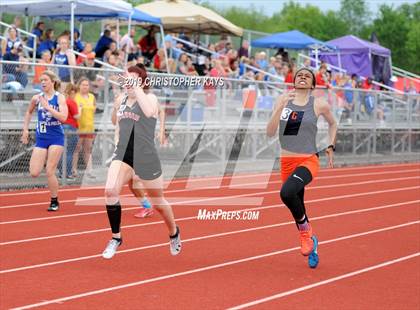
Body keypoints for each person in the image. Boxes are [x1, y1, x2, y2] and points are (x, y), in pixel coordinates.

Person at [102, 65, 181, 259]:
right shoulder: (121, 99)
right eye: (127, 79)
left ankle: (174, 232)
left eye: (134, 79)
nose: (129, 83)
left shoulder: (150, 98)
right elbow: (116, 122)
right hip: (124, 154)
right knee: (110, 191)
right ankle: (116, 237)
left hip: (146, 156)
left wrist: (136, 85)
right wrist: (115, 108)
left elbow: (148, 111)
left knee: (158, 203)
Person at [266, 68, 337, 269]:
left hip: (308, 160)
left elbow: (333, 124)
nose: (303, 76)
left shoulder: (319, 104)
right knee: (298, 205)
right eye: (299, 75)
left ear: (313, 84)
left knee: (287, 193)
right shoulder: (283, 100)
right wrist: (279, 108)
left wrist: (331, 145)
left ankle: (305, 233)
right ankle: (312, 244)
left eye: (307, 75)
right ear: (294, 81)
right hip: (286, 161)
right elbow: (270, 132)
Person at [21, 71, 68, 211]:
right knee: (34, 172)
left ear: (52, 81)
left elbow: (64, 118)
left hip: (56, 137)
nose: (42, 82)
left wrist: (48, 108)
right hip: (41, 137)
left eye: (45, 80)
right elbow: (29, 112)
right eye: (41, 80)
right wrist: (25, 129)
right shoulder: (36, 98)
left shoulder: (59, 98)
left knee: (49, 171)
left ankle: (54, 201)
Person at [72, 78, 96, 178]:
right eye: (83, 84)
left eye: (87, 85)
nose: (85, 86)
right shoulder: (75, 97)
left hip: (89, 126)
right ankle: (74, 170)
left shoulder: (92, 96)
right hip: (79, 127)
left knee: (88, 149)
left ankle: (90, 171)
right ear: (79, 85)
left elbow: (94, 109)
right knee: (76, 149)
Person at [59, 83, 80, 179]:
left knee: (62, 151)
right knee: (69, 152)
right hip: (71, 127)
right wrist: (80, 109)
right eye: (75, 92)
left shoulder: (63, 101)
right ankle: (67, 173)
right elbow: (77, 116)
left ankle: (62, 173)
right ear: (72, 92)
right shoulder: (71, 102)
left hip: (62, 126)